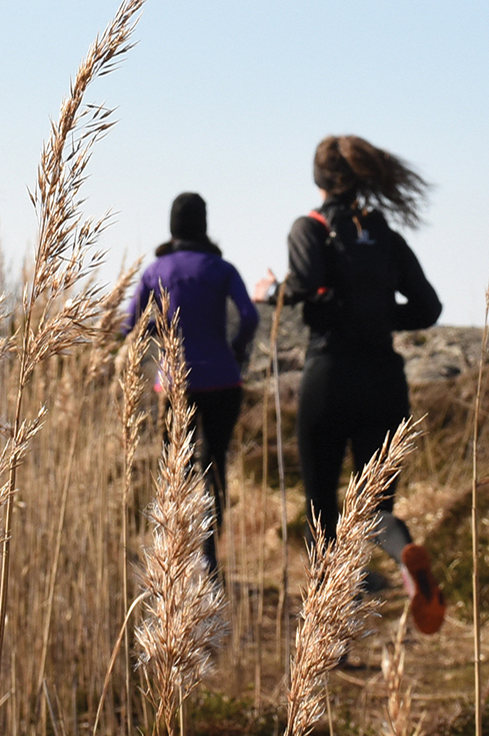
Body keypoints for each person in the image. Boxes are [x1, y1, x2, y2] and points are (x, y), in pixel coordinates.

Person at [255, 135, 446, 634]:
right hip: (384, 380)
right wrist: (377, 314)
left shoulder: (310, 228)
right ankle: (405, 553)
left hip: (330, 376)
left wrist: (271, 292)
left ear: (318, 179)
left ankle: (331, 632)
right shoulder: (385, 235)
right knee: (374, 508)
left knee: (321, 507)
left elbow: (305, 283)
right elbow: (428, 308)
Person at [126, 192, 258, 574]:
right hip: (222, 379)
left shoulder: (156, 271)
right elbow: (249, 316)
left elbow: (130, 325)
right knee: (214, 466)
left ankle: (176, 553)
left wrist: (161, 329)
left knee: (175, 466)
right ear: (204, 225)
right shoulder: (222, 268)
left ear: (172, 226)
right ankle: (209, 556)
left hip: (173, 385)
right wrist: (236, 349)